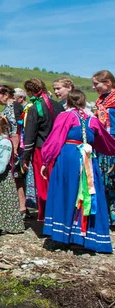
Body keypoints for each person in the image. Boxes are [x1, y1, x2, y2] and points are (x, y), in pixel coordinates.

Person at [42, 90, 115, 252]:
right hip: (88, 159)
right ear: (84, 101)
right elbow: (105, 142)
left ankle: (63, 235)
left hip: (69, 157)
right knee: (87, 193)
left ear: (68, 101)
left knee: (66, 192)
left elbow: (55, 139)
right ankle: (84, 236)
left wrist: (46, 160)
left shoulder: (65, 116)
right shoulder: (93, 119)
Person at [22, 78, 64, 221]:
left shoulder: (35, 108)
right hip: (59, 149)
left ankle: (47, 217)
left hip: (42, 151)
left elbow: (30, 135)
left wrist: (25, 156)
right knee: (57, 182)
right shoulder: (58, 106)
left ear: (30, 92)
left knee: (44, 184)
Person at [0, 85, 27, 216]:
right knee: (16, 177)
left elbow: (15, 128)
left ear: (5, 95)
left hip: (15, 146)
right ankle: (20, 206)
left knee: (17, 176)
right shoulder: (10, 107)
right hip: (13, 144)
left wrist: (14, 148)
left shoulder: (13, 108)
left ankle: (21, 206)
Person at [92, 70, 115, 224]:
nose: (94, 88)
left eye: (96, 84)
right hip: (102, 143)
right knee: (104, 179)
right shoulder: (101, 102)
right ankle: (107, 215)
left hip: (113, 142)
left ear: (107, 83)